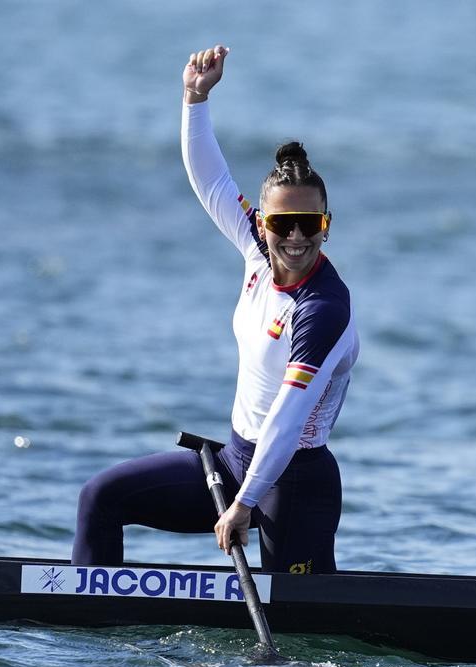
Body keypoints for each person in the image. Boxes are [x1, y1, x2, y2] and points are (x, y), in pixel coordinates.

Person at [72, 45, 359, 574]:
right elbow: (211, 182)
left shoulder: (323, 309)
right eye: (281, 224)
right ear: (263, 225)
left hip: (293, 483)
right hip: (233, 461)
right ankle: (87, 629)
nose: (294, 237)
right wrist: (194, 99)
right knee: (100, 498)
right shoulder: (255, 247)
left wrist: (245, 505)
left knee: (300, 637)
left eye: (309, 224)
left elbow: (288, 420)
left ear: (327, 224)